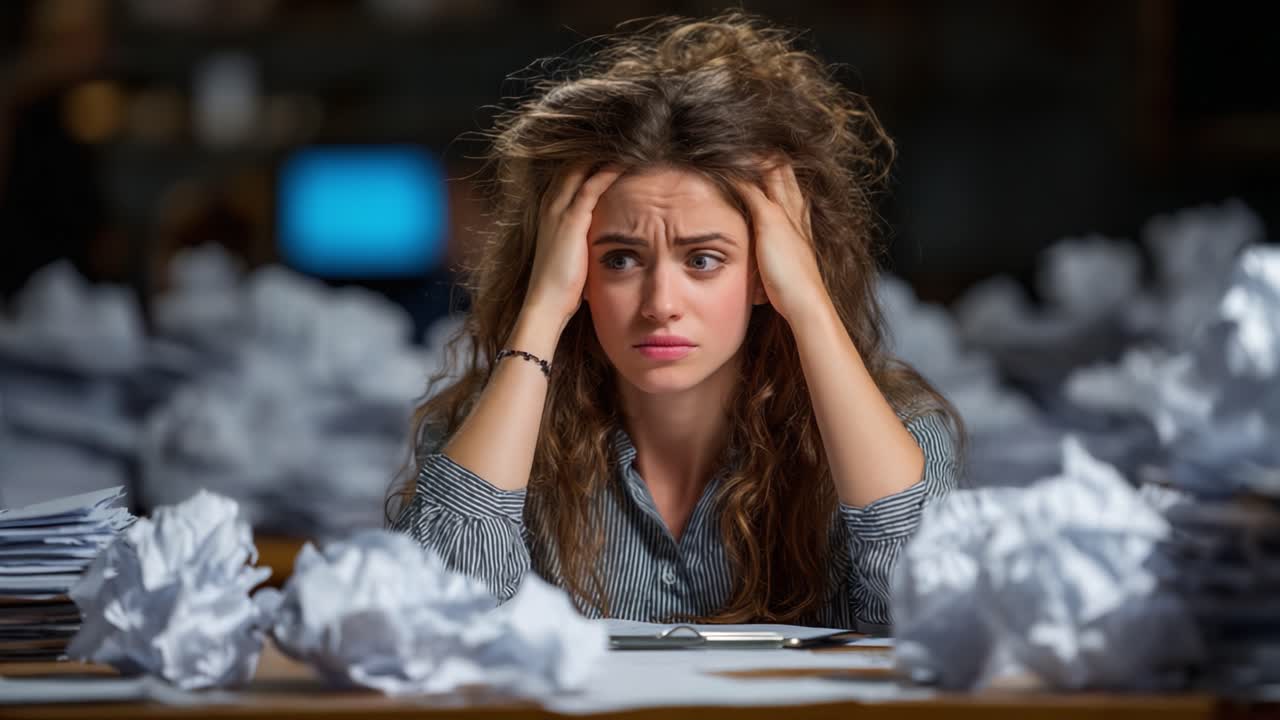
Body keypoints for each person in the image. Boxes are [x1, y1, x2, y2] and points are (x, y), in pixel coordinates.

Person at [390, 12, 962, 630]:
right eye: (620, 258)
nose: (661, 301)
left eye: (704, 259)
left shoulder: (906, 435)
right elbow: (437, 620)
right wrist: (542, 306)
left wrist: (810, 305)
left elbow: (933, 616)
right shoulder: (479, 435)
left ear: (768, 272)